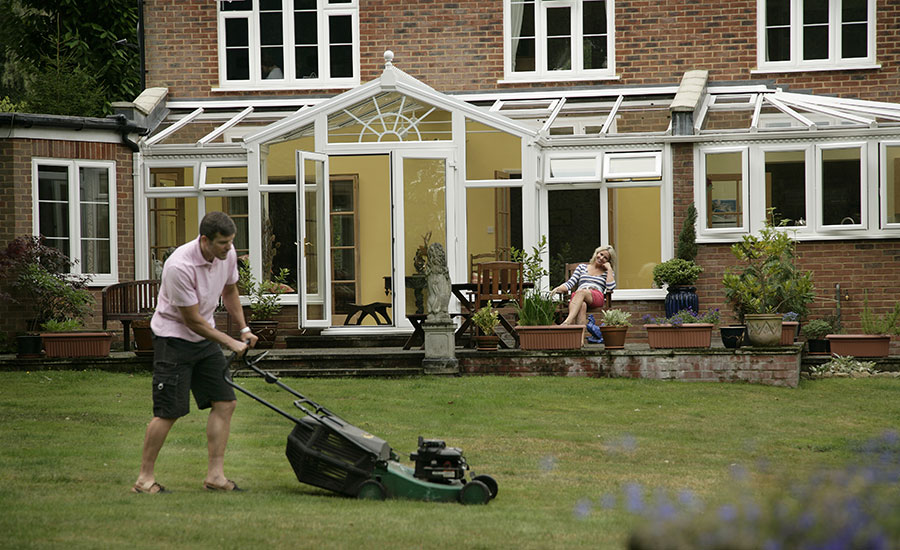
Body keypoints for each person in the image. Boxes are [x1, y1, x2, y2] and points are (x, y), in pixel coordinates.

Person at [132, 211, 258, 494]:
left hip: (204, 341)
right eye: (223, 242)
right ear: (205, 240)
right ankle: (144, 479)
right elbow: (192, 321)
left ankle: (215, 476)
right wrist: (230, 342)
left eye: (231, 241)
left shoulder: (226, 254)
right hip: (173, 340)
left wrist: (244, 329)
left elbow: (230, 291)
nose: (229, 247)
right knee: (169, 411)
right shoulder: (179, 266)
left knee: (225, 402)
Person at [552, 245, 617, 326]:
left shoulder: (607, 272)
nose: (601, 258)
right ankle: (580, 337)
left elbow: (610, 287)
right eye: (601, 254)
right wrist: (557, 289)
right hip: (579, 296)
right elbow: (570, 283)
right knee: (582, 305)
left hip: (595, 296)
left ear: (608, 261)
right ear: (596, 253)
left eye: (605, 258)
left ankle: (567, 322)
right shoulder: (582, 267)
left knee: (581, 292)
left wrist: (609, 269)